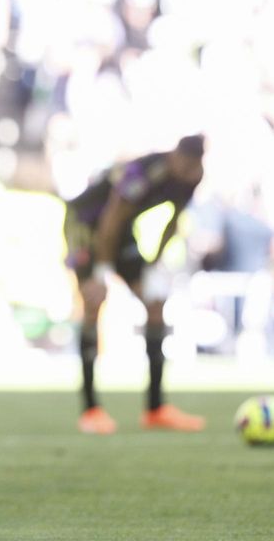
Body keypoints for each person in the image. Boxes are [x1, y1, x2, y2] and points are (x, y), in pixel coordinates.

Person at [63, 134, 208, 435]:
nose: (187, 171)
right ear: (174, 156)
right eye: (183, 164)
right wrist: (102, 270)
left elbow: (174, 218)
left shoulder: (193, 176)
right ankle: (91, 410)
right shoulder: (147, 171)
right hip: (87, 225)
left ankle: (156, 409)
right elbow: (111, 217)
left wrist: (154, 264)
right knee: (94, 303)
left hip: (121, 230)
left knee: (156, 307)